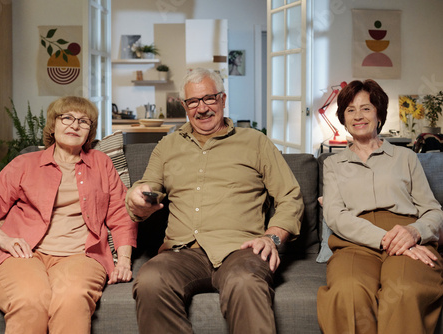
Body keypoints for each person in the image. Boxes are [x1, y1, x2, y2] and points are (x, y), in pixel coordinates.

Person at [126, 68, 304, 334]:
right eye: (193, 102)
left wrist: (273, 237)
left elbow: (290, 196)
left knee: (246, 282)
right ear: (185, 106)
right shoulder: (167, 146)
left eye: (209, 98)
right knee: (150, 280)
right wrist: (136, 197)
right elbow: (147, 186)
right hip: (182, 252)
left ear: (223, 99)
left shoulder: (255, 142)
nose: (202, 108)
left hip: (241, 250)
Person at [0, 96, 138, 334]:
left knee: (71, 298)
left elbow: (121, 214)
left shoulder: (102, 163)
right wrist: (5, 240)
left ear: (90, 132)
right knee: (30, 299)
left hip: (81, 255)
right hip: (22, 254)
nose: (74, 125)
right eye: (66, 117)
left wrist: (124, 261)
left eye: (83, 121)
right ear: (53, 125)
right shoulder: (24, 164)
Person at [317, 79, 443, 334]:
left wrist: (414, 232)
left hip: (407, 237)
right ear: (343, 117)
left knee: (405, 291)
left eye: (366, 108)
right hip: (354, 242)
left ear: (379, 113)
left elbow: (432, 209)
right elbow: (335, 215)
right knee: (347, 292)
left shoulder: (406, 157)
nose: (358, 116)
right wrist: (387, 238)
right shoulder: (333, 164)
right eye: (350, 110)